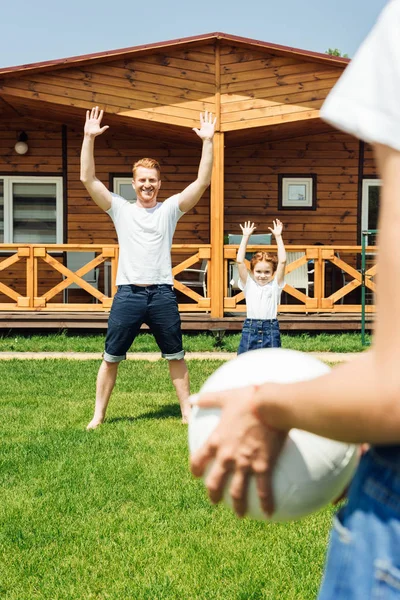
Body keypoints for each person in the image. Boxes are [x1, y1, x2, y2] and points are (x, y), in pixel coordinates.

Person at [190, 2, 400, 597]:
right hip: (253, 334)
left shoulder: (399, 40)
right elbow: (239, 263)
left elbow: (396, 385)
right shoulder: (248, 276)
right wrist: (249, 239)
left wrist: (265, 406)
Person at [80, 107, 216, 429]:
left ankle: (186, 412)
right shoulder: (120, 209)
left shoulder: (169, 209)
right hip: (127, 294)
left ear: (159, 183)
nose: (147, 185)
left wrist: (208, 142)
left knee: (176, 356)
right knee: (111, 357)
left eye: (152, 181)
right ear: (133, 183)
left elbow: (202, 181)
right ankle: (98, 415)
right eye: (142, 180)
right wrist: (88, 137)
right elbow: (88, 178)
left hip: (162, 295)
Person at [236, 220, 286, 355]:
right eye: (258, 272)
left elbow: (282, 261)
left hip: (271, 329)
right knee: (245, 364)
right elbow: (240, 261)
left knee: (272, 366)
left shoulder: (275, 286)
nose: (262, 276)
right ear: (252, 272)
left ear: (273, 273)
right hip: (250, 330)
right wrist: (245, 237)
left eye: (267, 272)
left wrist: (278, 237)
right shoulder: (249, 285)